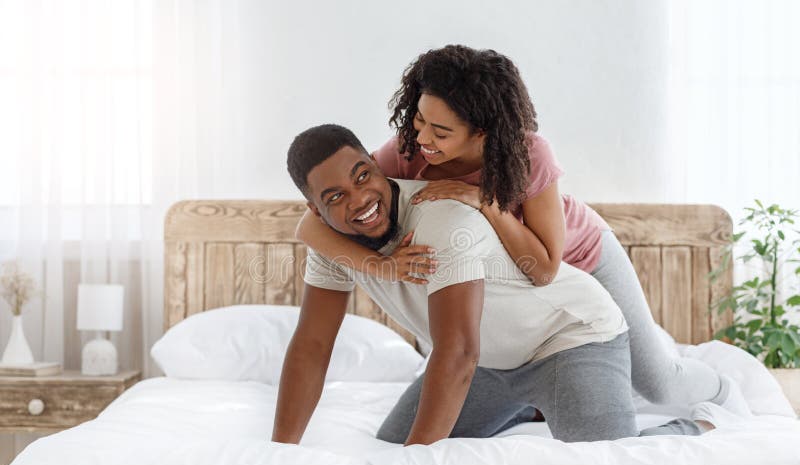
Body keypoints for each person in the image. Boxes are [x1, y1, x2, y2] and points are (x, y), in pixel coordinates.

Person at [293, 45, 750, 416]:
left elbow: (545, 268)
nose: (423, 138)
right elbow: (311, 226)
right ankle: (537, 401)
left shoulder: (529, 156)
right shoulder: (410, 152)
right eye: (418, 120)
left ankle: (725, 392)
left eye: (440, 130)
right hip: (508, 291)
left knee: (656, 380)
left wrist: (485, 203)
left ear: (484, 134)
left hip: (580, 259)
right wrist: (379, 265)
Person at [271, 123, 724, 447]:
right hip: (492, 359)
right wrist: (281, 452)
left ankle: (699, 426)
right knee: (391, 443)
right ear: (313, 210)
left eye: (362, 176)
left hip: (567, 336)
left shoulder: (443, 217)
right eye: (333, 197)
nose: (359, 199)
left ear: (374, 163)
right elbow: (312, 345)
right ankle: (530, 404)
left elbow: (458, 350)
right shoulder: (330, 244)